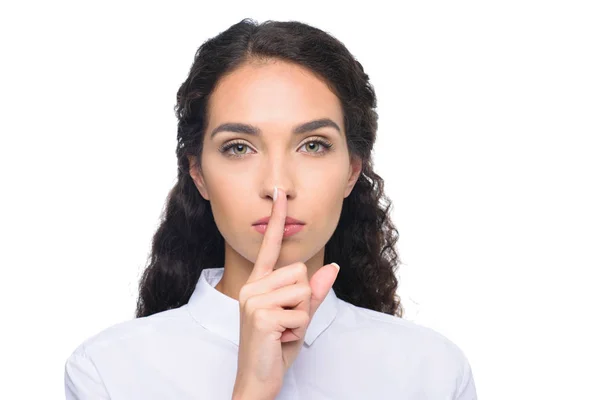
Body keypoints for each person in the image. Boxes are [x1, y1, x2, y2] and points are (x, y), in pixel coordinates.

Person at [64, 18, 478, 399]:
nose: (278, 186)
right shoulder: (109, 372)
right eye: (239, 148)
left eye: (313, 145)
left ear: (352, 170)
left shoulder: (432, 372)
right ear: (199, 173)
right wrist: (252, 388)